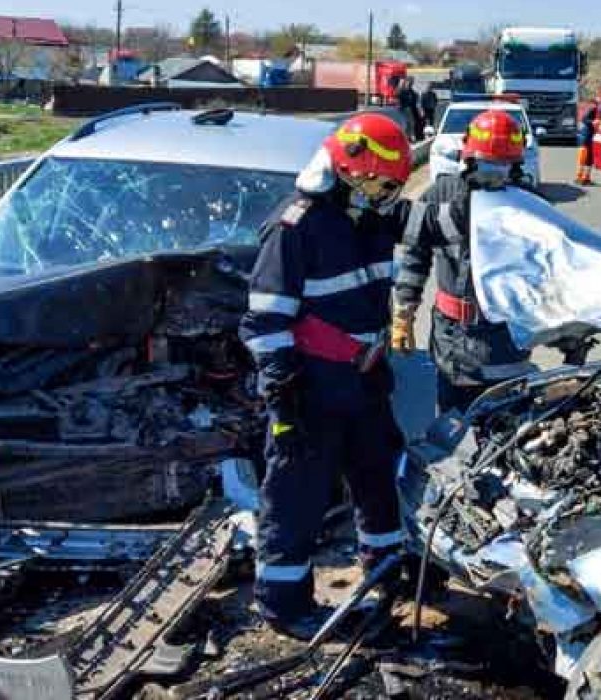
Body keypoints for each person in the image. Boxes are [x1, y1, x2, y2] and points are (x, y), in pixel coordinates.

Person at [239, 113, 414, 640]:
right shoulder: (296, 226)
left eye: (392, 187)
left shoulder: (370, 218)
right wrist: (282, 387)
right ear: (349, 171)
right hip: (310, 385)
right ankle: (284, 603)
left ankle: (385, 570)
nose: (385, 195)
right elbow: (264, 318)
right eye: (380, 183)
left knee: (377, 478)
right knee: (297, 494)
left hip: (363, 380)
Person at [392, 110, 537, 415]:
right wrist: (404, 312)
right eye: (487, 165)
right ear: (470, 159)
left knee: (508, 432)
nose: (495, 174)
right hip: (453, 338)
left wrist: (568, 338)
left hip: (507, 340)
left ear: (516, 165)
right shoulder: (442, 194)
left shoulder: (529, 204)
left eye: (503, 166)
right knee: (454, 427)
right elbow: (416, 255)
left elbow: (549, 273)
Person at [576, 103, 598, 185]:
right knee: (583, 158)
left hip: (592, 138)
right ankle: (579, 177)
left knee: (590, 160)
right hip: (585, 137)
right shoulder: (593, 109)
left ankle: (586, 178)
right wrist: (592, 122)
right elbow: (584, 119)